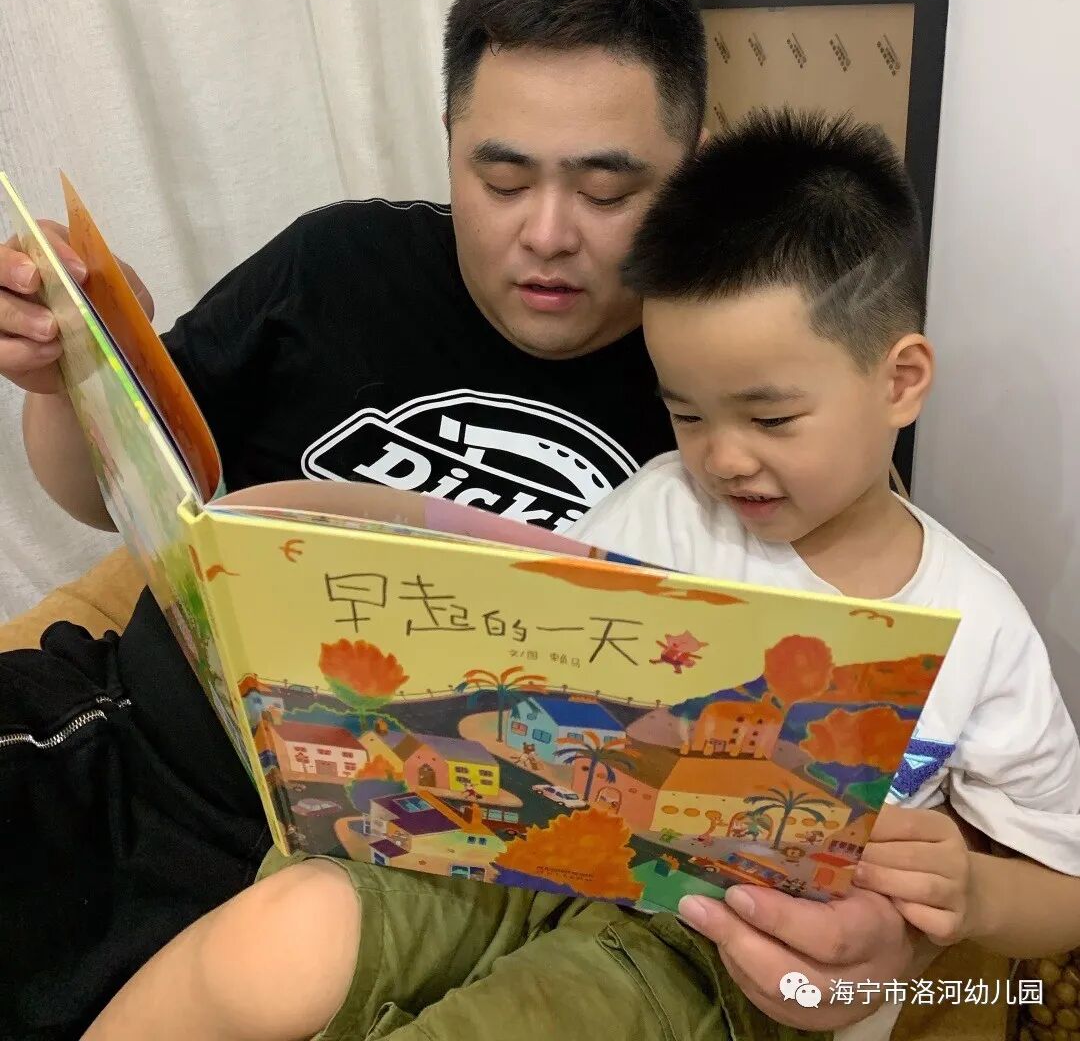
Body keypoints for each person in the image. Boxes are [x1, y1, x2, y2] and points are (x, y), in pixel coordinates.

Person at [0, 0, 914, 1038]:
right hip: (129, 748)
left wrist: (886, 941)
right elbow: (102, 496)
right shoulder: (335, 266)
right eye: (502, 177)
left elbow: (852, 710)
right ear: (449, 142)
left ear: (693, 164)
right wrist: (67, 373)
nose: (548, 234)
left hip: (420, 900)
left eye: (608, 191)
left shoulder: (740, 388)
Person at [77, 109, 1080, 1041]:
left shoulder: (979, 622)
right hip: (520, 850)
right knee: (277, 937)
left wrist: (974, 898)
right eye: (686, 412)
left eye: (771, 417)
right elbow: (511, 631)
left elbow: (1065, 892)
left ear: (900, 380)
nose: (723, 458)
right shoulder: (660, 502)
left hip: (720, 957)